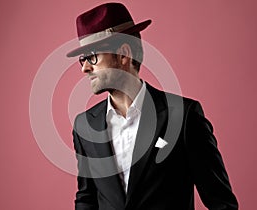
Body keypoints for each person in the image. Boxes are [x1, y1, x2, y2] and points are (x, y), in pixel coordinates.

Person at [67, 2, 238, 210]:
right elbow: (86, 199)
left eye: (92, 57)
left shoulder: (184, 117)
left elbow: (222, 203)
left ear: (123, 53)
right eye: (83, 59)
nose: (85, 68)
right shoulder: (84, 126)